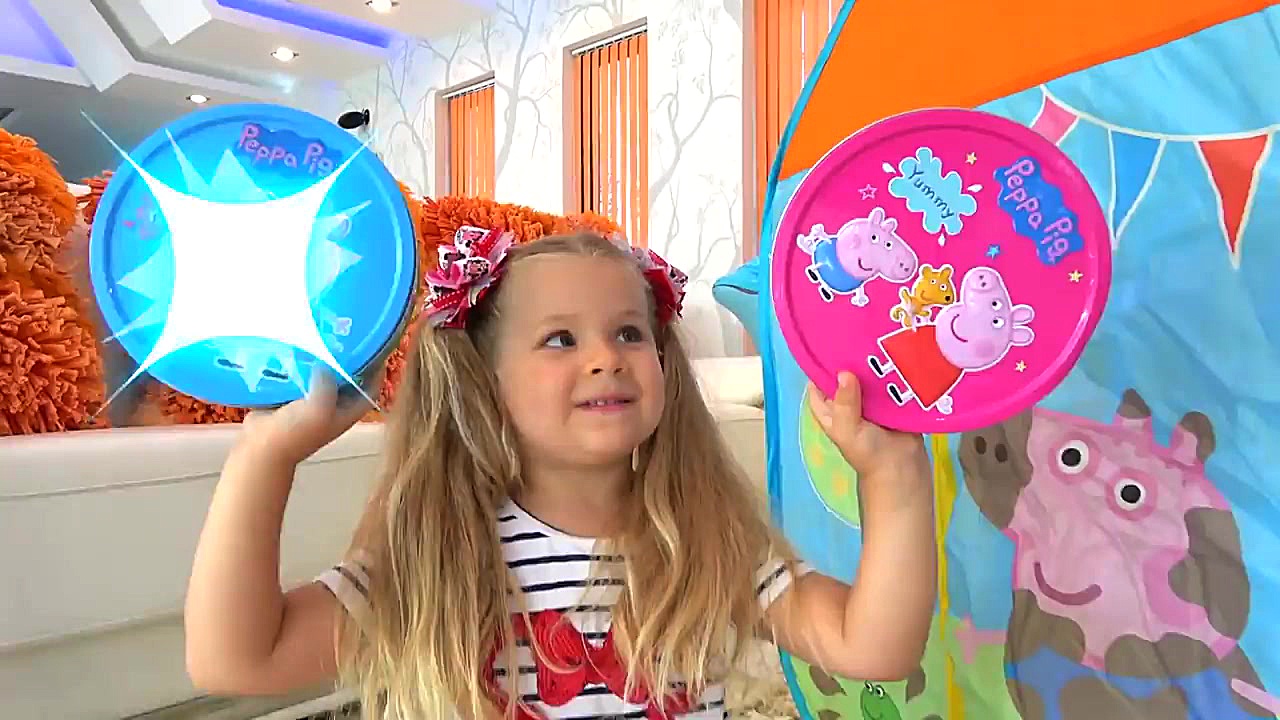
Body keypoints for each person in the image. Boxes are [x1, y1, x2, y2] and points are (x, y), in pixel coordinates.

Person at [184, 228, 937, 719]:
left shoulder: (706, 538)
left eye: (629, 333)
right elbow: (234, 661)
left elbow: (872, 648)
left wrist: (894, 478)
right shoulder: (439, 551)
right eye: (560, 340)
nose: (606, 357)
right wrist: (267, 455)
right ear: (485, 380)